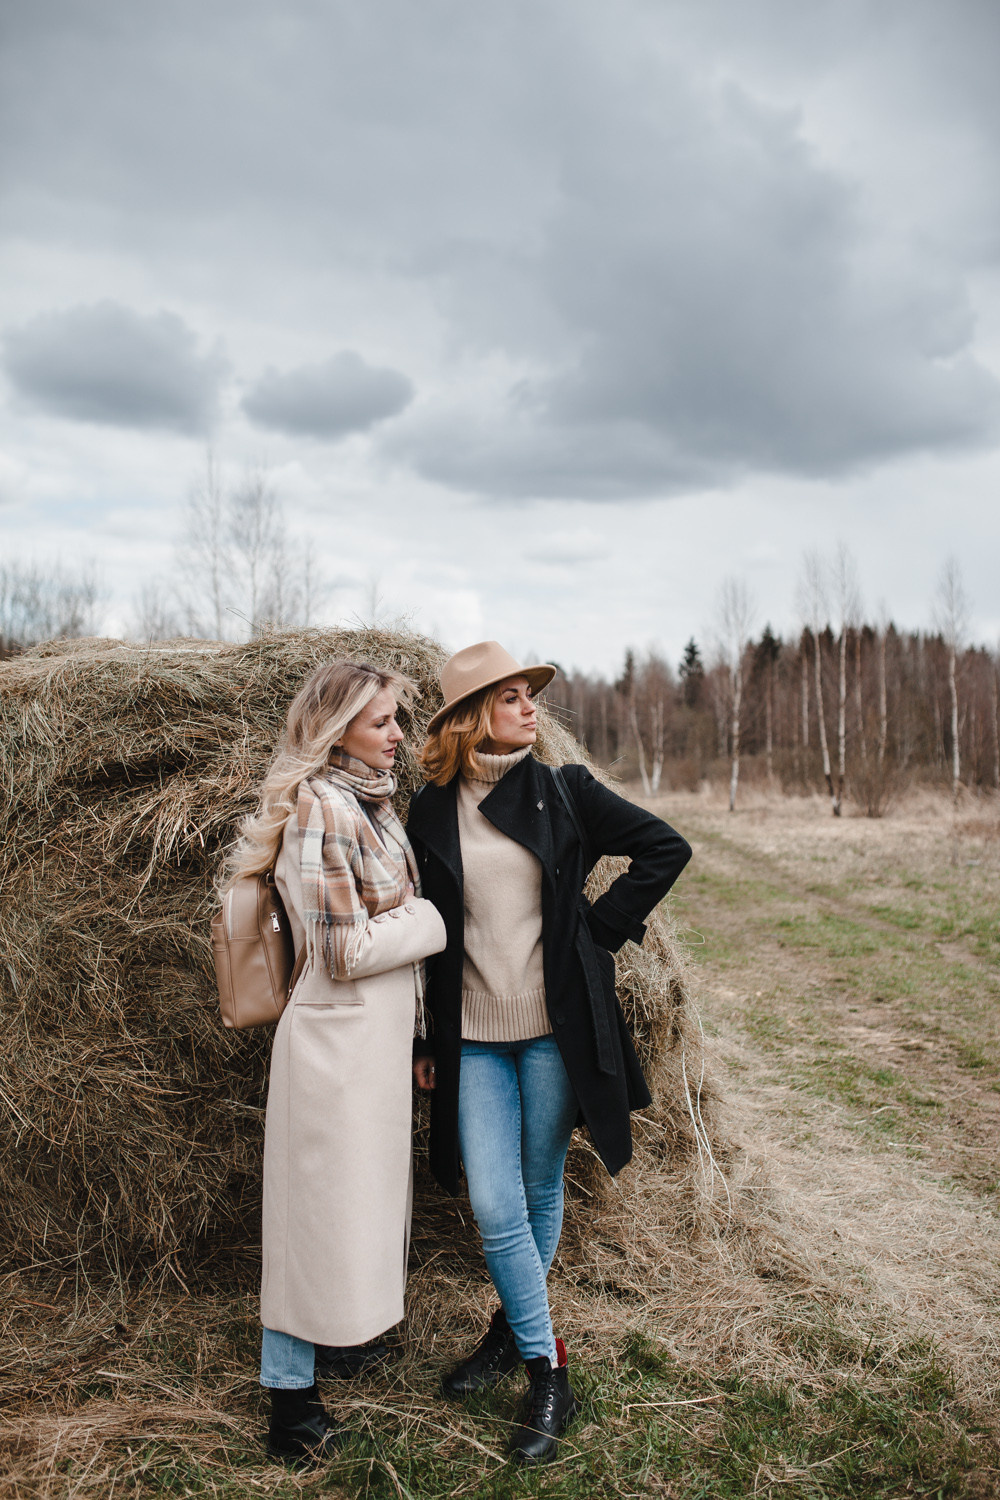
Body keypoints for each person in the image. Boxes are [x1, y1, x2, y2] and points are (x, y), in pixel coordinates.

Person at [407, 641, 691, 1466]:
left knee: (534, 1191)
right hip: (474, 1042)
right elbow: (428, 942)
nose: (531, 707)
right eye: (511, 698)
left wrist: (596, 935)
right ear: (470, 719)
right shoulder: (427, 813)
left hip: (553, 1033)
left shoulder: (565, 791)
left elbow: (664, 848)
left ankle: (516, 1346)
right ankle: (546, 1364)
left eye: (531, 695)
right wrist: (427, 1037)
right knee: (495, 1206)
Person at [224, 660, 446, 1463]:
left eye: (398, 719)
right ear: (336, 728)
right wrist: (432, 919)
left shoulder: (374, 806)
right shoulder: (322, 806)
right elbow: (346, 948)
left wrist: (419, 1040)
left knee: (361, 1210)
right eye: (382, 721)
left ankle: (345, 1340)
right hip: (333, 1046)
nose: (398, 735)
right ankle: (289, 1402)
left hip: (375, 1046)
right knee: (310, 1224)